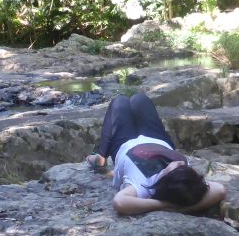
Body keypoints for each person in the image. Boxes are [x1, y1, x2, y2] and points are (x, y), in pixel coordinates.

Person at [86, 92, 226, 216]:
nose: (180, 162)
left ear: (165, 178)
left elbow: (119, 203)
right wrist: (183, 206)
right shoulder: (188, 183)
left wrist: (165, 205)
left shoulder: (144, 184)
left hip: (125, 144)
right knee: (139, 99)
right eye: (184, 167)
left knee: (119, 101)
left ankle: (101, 157)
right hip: (159, 141)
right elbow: (219, 190)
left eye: (175, 167)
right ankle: (101, 155)